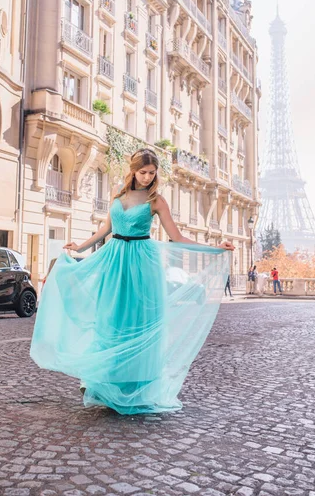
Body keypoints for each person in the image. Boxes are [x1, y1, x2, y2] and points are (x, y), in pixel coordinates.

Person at [30, 148, 234, 415]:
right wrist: (80, 247)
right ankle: (103, 381)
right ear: (133, 171)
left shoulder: (156, 200)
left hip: (142, 263)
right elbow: (105, 230)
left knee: (139, 320)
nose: (148, 177)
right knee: (110, 318)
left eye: (152, 173)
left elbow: (177, 237)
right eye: (143, 172)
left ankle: (136, 388)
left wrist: (215, 248)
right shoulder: (118, 195)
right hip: (115, 259)